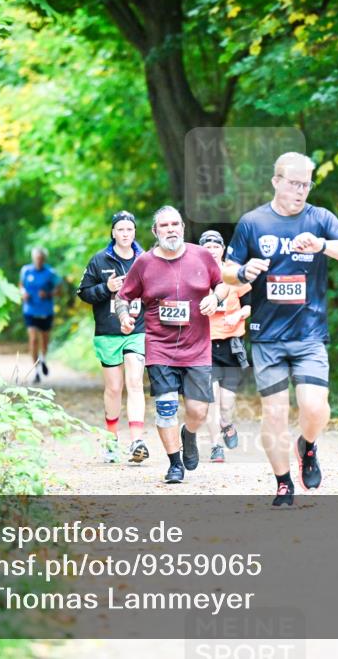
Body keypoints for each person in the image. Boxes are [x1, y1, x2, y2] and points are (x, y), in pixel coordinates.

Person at [224, 152, 338, 506]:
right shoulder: (253, 223)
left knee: (315, 408)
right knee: (274, 412)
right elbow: (226, 269)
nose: (301, 191)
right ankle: (283, 482)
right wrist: (243, 273)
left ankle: (308, 444)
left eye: (306, 184)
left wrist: (323, 246)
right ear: (276, 181)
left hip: (309, 334)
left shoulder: (319, 219)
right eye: (294, 184)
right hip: (267, 336)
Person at [115, 206, 229, 484]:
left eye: (175, 224)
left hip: (197, 348)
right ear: (155, 232)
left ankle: (188, 435)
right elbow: (123, 297)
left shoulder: (201, 256)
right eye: (164, 225)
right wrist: (123, 317)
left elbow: (222, 285)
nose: (171, 229)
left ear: (182, 228)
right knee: (166, 408)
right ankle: (174, 463)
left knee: (198, 410)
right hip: (160, 348)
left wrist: (215, 299)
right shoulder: (143, 263)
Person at [77, 211, 150, 464]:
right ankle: (111, 440)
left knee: (135, 382)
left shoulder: (145, 259)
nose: (125, 234)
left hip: (137, 330)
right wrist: (105, 288)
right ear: (113, 232)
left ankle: (137, 441)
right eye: (120, 229)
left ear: (134, 232)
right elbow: (83, 292)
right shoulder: (99, 260)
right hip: (108, 331)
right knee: (114, 388)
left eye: (129, 230)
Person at [199, 229, 251, 463]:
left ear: (222, 249)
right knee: (211, 400)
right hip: (204, 344)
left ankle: (226, 423)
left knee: (226, 404)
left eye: (215, 246)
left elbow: (251, 305)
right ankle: (215, 446)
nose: (211, 250)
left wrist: (238, 314)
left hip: (231, 344)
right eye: (206, 246)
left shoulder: (233, 274)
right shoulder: (194, 275)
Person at [19, 247, 60, 384]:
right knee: (33, 339)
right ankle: (36, 371)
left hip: (46, 310)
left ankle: (43, 358)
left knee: (44, 339)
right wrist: (23, 293)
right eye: (37, 258)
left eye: (41, 259)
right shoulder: (26, 270)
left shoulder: (50, 272)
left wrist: (48, 294)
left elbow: (59, 290)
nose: (39, 261)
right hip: (30, 310)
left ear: (44, 259)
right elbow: (21, 285)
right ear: (33, 258)